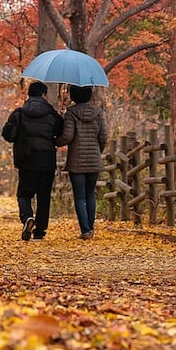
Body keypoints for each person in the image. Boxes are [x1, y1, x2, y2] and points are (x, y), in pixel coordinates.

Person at [1, 81, 64, 241]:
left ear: (29, 95)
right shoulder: (51, 114)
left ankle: (27, 217)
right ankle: (40, 231)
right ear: (44, 95)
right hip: (47, 160)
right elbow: (61, 131)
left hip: (26, 159)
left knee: (24, 194)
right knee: (44, 196)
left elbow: (8, 135)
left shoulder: (19, 114)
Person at [56, 84, 108, 240]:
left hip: (76, 162)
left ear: (73, 95)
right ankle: (91, 229)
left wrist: (55, 141)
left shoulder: (71, 113)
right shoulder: (98, 112)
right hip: (94, 160)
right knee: (90, 194)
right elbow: (103, 136)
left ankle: (85, 231)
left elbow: (67, 137)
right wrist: (97, 151)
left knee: (79, 197)